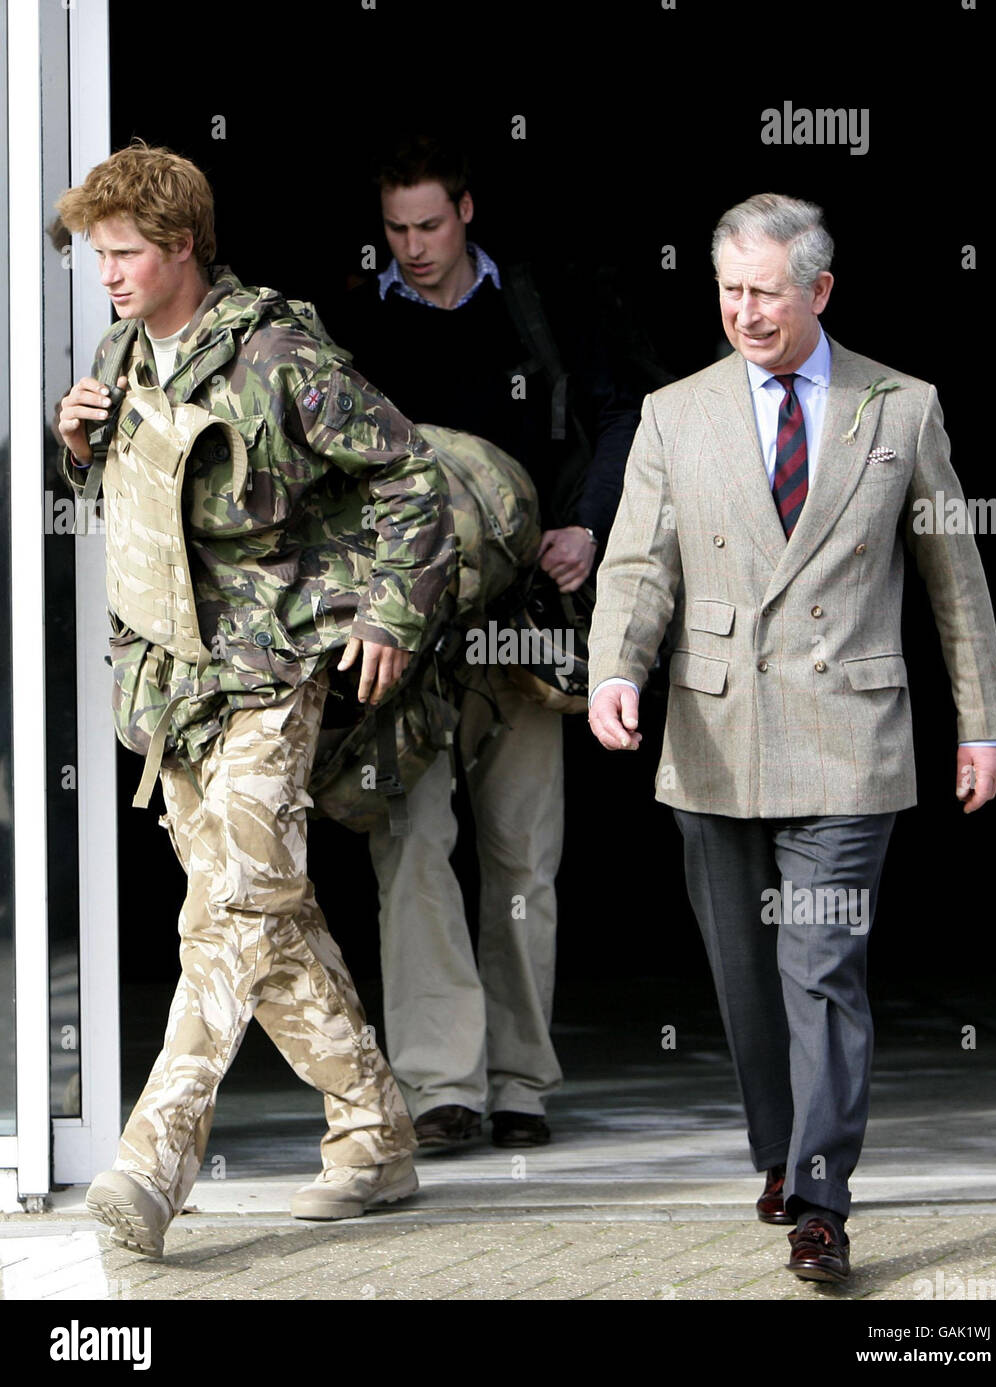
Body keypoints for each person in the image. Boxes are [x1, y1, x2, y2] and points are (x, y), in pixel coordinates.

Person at [587, 193, 996, 1283]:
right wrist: (616, 670)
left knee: (822, 965)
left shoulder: (900, 407)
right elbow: (641, 564)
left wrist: (985, 725)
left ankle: (822, 1195)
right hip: (716, 729)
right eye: (729, 291)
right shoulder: (674, 412)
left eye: (765, 291)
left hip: (848, 733)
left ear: (819, 290)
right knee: (744, 974)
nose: (744, 312)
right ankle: (777, 1153)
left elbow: (954, 582)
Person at [55, 141, 456, 1256]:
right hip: (170, 681)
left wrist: (389, 615)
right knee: (271, 913)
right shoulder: (123, 351)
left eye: (127, 253)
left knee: (227, 907)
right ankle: (375, 1132)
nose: (111, 274)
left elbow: (409, 476)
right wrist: (78, 445)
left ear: (185, 245)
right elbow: (149, 497)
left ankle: (151, 1160)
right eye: (99, 256)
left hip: (273, 676)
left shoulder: (281, 354)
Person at [327, 135, 642, 1151]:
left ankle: (518, 1078)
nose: (413, 248)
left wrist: (589, 522)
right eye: (396, 229)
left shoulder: (540, 309)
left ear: (467, 210)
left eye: (429, 225)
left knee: (523, 856)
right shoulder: (357, 323)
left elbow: (622, 410)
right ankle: (440, 1085)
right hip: (411, 631)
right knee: (412, 848)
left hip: (526, 625)